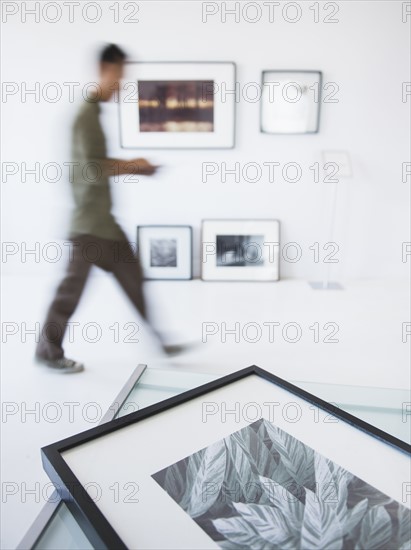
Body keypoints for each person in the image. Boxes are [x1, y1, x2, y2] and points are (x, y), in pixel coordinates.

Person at [36, 44, 178, 373]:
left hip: (105, 224)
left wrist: (135, 167)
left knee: (134, 278)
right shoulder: (86, 115)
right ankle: (47, 351)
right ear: (104, 70)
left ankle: (161, 339)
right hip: (88, 226)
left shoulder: (94, 113)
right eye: (120, 76)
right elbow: (92, 168)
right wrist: (135, 165)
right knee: (69, 293)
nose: (122, 84)